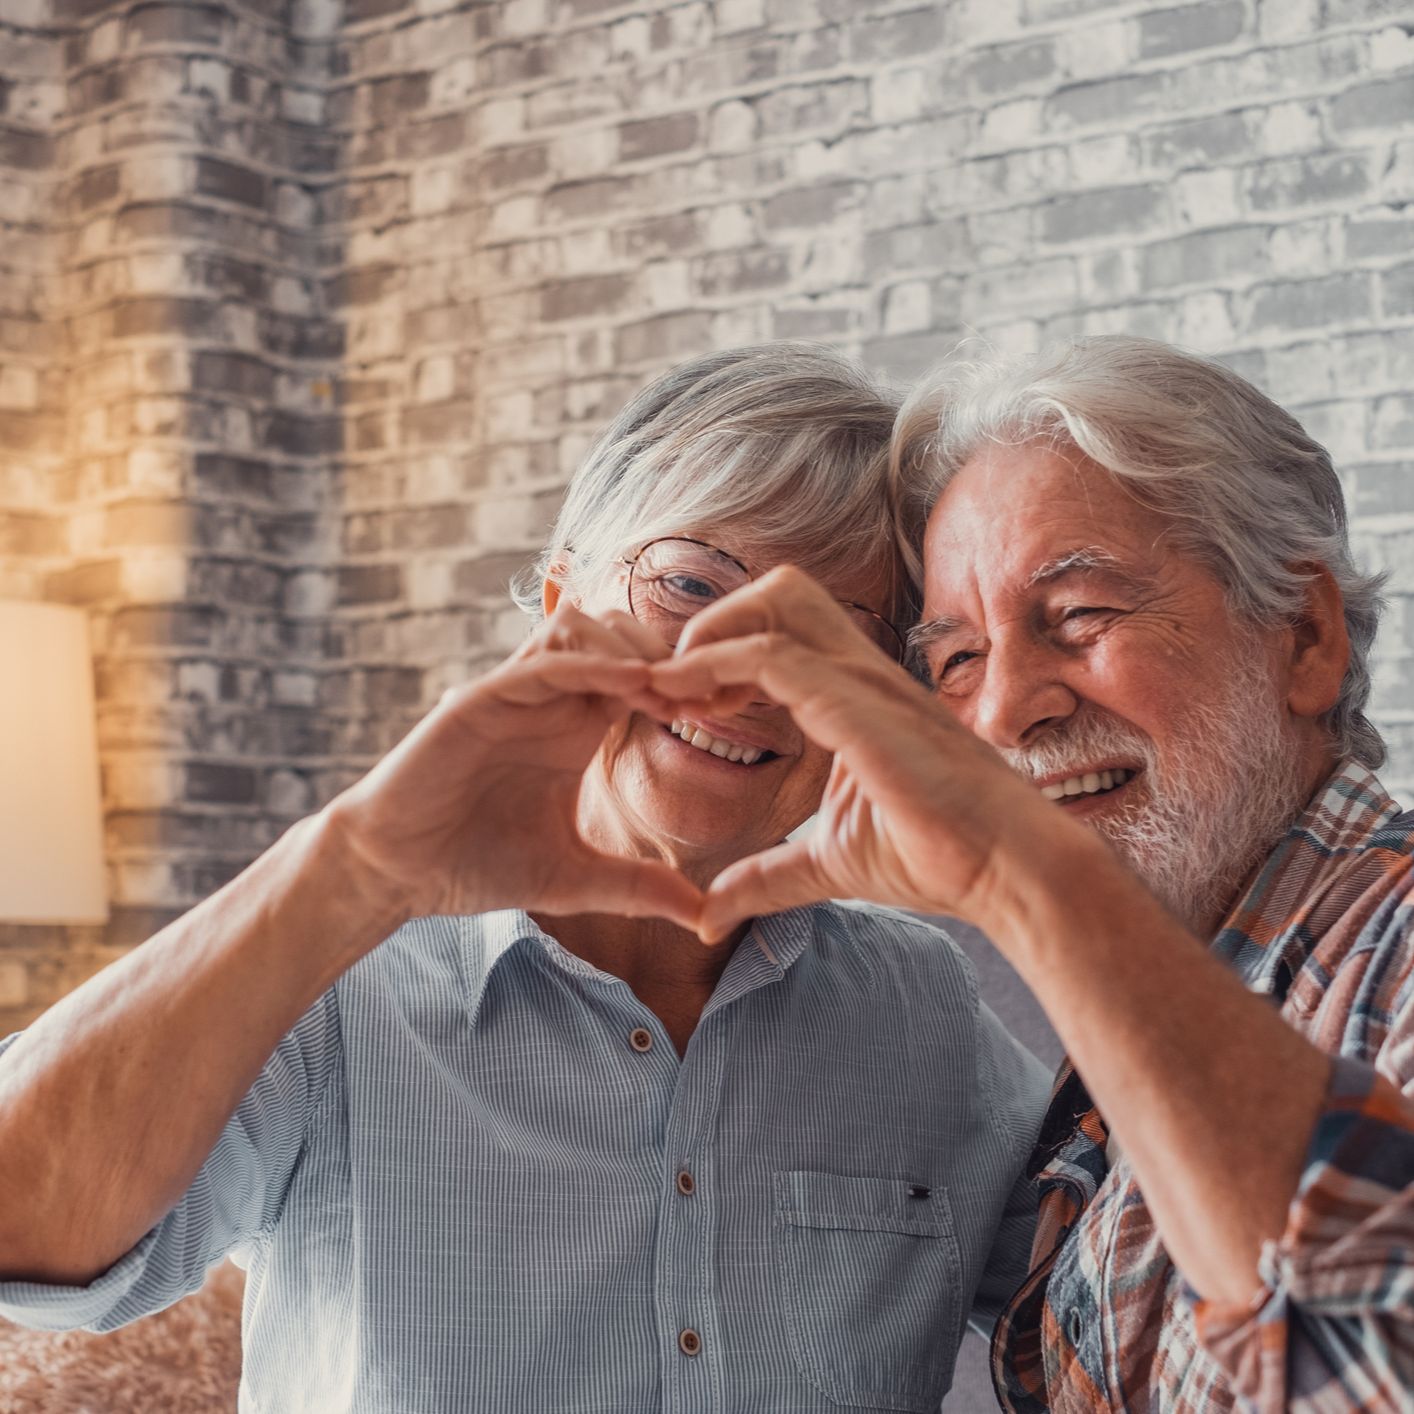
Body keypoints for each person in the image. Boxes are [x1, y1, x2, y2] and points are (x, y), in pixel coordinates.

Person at [0, 344, 1048, 1412]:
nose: (741, 672)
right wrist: (353, 865)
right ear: (560, 605)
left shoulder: (927, 1010)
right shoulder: (341, 974)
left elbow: (1145, 1318)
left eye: (832, 636)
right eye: (690, 583)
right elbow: (22, 1232)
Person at [645, 334, 1414, 1413]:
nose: (1006, 711)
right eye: (957, 659)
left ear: (1304, 637)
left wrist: (1033, 885)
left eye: (1080, 614)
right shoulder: (1103, 1058)